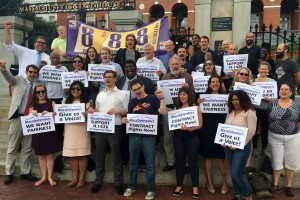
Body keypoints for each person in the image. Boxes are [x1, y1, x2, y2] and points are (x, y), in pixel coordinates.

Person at [122, 79, 167, 200]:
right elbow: (129, 117)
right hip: (134, 136)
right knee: (133, 163)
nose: (137, 91)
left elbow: (163, 111)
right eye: (135, 90)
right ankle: (132, 186)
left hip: (149, 137)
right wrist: (124, 120)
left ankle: (151, 189)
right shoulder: (131, 102)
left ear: (143, 86)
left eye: (139, 88)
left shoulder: (153, 99)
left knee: (150, 164)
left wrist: (162, 99)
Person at [0, 59, 39, 184]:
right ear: (26, 72)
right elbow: (8, 77)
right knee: (12, 147)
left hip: (30, 119)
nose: (32, 74)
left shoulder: (38, 87)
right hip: (17, 117)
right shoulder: (18, 80)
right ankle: (9, 173)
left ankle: (25, 172)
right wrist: (3, 68)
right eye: (30, 72)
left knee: (27, 148)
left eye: (35, 72)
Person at [90, 70, 128, 195]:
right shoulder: (100, 94)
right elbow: (98, 109)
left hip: (115, 128)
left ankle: (118, 183)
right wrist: (92, 110)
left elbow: (126, 111)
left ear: (115, 79)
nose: (107, 79)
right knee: (99, 156)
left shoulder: (122, 94)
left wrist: (116, 111)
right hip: (100, 128)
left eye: (110, 77)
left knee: (117, 157)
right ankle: (98, 182)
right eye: (105, 77)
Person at [116, 60, 155, 166]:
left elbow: (151, 98)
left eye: (131, 67)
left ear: (136, 68)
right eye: (127, 67)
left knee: (141, 141)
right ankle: (125, 161)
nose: (129, 69)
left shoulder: (146, 81)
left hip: (142, 116)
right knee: (124, 140)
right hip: (124, 115)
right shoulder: (119, 81)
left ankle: (142, 164)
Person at [161, 55, 194, 171]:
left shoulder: (188, 77)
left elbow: (193, 96)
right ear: (169, 66)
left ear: (181, 65)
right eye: (173, 64)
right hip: (169, 109)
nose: (175, 66)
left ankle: (185, 164)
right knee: (168, 138)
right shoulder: (164, 78)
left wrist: (188, 89)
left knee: (184, 137)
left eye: (177, 64)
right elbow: (162, 96)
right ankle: (171, 162)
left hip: (183, 109)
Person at [268, 84, 300, 197]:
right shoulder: (272, 103)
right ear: (279, 91)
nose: (284, 91)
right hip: (274, 137)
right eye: (282, 89)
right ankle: (275, 184)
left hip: (293, 137)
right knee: (276, 161)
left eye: (287, 89)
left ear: (291, 93)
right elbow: (269, 117)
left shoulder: (297, 104)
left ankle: (289, 186)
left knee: (290, 161)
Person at [197, 76, 228, 194]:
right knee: (207, 156)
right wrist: (198, 104)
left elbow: (228, 116)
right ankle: (209, 181)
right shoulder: (203, 98)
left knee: (221, 158)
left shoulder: (226, 98)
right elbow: (198, 113)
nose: (215, 84)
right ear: (209, 85)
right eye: (213, 82)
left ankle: (224, 181)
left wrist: (228, 106)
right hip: (206, 129)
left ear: (220, 84)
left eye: (217, 82)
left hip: (220, 128)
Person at [224, 90, 257, 200]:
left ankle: (247, 196)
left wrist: (239, 145)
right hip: (228, 147)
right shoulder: (230, 112)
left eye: (237, 99)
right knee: (234, 171)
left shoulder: (250, 112)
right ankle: (238, 195)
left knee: (236, 173)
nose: (235, 102)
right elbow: (225, 128)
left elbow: (251, 131)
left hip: (242, 147)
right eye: (233, 100)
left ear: (242, 99)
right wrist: (223, 140)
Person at [172, 87, 203, 199]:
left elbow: (200, 125)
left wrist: (189, 129)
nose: (182, 96)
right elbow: (173, 124)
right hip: (179, 138)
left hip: (192, 138)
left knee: (193, 163)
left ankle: (195, 187)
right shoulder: (176, 108)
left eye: (185, 94)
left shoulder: (196, 108)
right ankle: (179, 186)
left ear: (189, 95)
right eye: (180, 94)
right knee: (180, 162)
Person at [29, 84, 60, 186]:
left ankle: (50, 177)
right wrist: (32, 112)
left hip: (50, 133)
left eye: (43, 91)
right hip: (38, 134)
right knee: (41, 156)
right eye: (38, 92)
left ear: (46, 92)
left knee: (50, 155)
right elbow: (29, 118)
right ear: (35, 94)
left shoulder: (52, 103)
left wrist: (51, 114)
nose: (41, 93)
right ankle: (43, 177)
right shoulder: (33, 105)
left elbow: (58, 116)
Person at [62, 81, 92, 188]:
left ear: (82, 90)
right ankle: (74, 178)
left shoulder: (88, 102)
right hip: (70, 131)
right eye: (73, 89)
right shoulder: (65, 101)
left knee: (82, 155)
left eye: (78, 89)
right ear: (70, 90)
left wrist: (88, 114)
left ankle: (81, 179)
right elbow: (60, 115)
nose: (75, 91)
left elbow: (93, 116)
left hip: (82, 131)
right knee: (73, 156)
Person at [252, 61, 276, 157]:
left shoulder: (272, 82)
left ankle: (264, 148)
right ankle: (254, 148)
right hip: (255, 108)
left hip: (267, 109)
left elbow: (275, 98)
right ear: (259, 69)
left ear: (268, 70)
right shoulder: (253, 82)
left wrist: (270, 99)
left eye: (265, 69)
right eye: (262, 69)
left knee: (265, 129)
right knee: (254, 128)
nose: (263, 70)